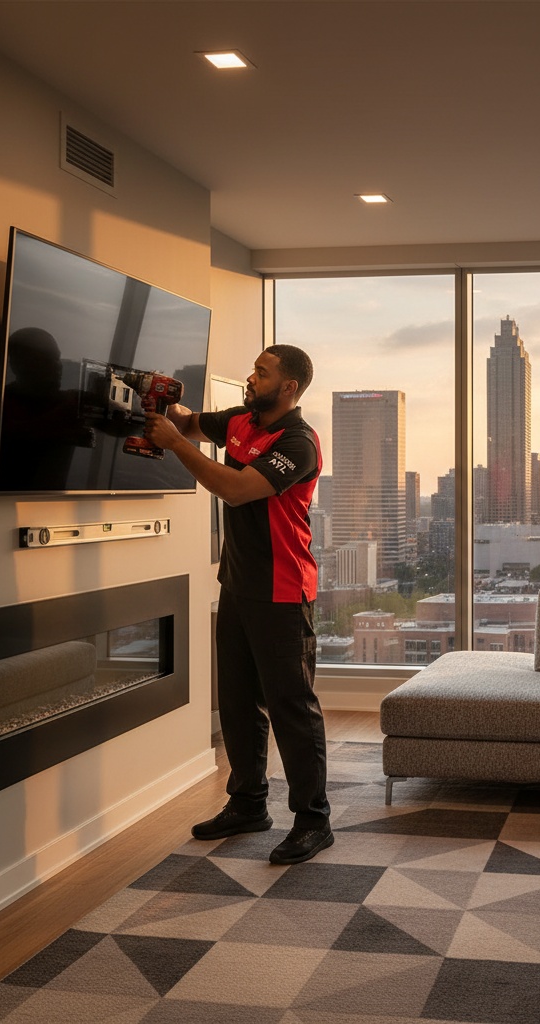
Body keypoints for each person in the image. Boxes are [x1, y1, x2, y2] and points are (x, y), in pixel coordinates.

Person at [143, 344, 331, 865]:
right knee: (238, 699)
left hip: (284, 589)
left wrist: (178, 446)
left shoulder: (298, 442)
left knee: (292, 708)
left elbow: (238, 488)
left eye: (262, 373)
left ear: (289, 387)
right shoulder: (241, 421)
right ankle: (248, 802)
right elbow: (188, 421)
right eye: (254, 369)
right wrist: (157, 394)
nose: (252, 378)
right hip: (240, 584)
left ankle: (314, 819)